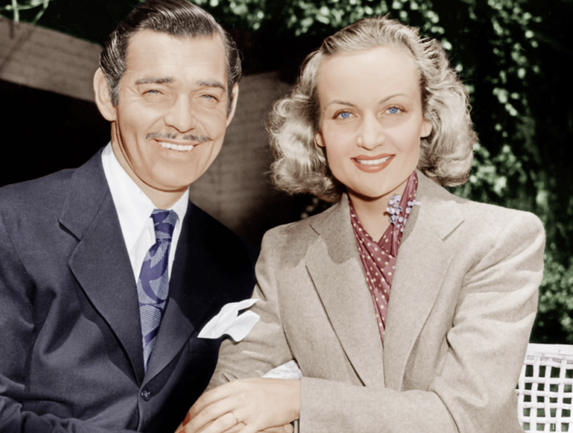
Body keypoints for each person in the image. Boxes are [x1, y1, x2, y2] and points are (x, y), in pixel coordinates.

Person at [180, 17, 545, 433]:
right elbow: (230, 393)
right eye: (344, 114)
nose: (369, 138)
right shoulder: (286, 252)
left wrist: (299, 401)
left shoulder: (501, 239)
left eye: (393, 110)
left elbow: (465, 419)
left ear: (426, 118)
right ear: (318, 131)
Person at [0, 1, 259, 432]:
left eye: (207, 96)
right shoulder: (1, 228)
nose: (182, 120)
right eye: (156, 91)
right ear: (108, 94)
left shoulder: (239, 263)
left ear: (230, 108)